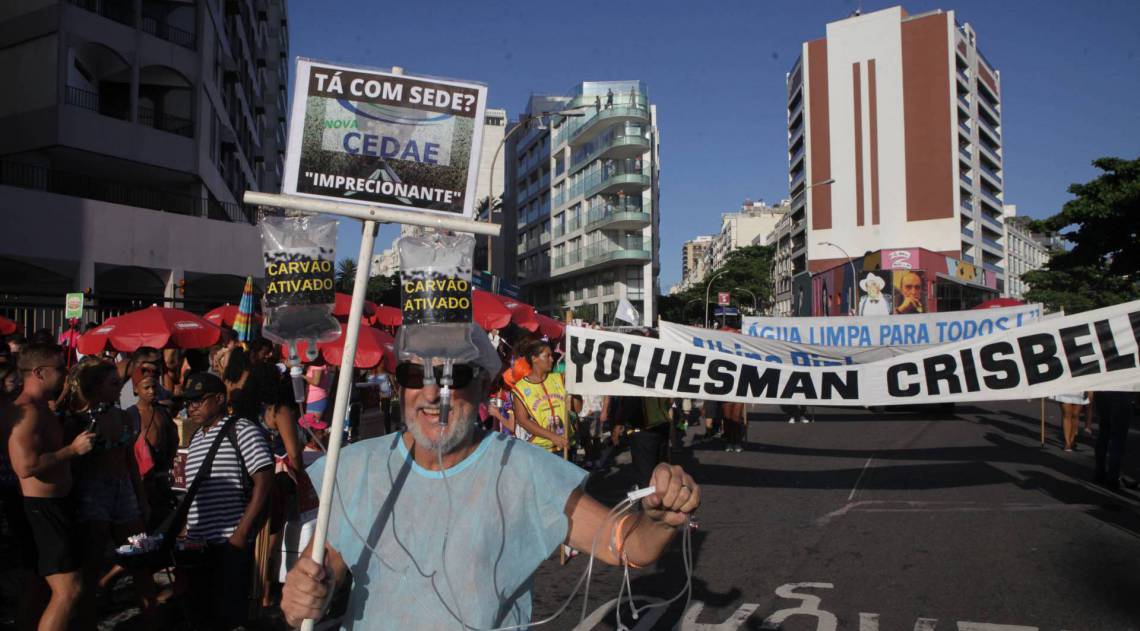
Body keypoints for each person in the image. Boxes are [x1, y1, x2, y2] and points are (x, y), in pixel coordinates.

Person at [279, 324, 701, 629]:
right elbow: (324, 566)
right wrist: (305, 592)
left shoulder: (522, 470)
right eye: (414, 375)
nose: (432, 395)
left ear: (483, 387)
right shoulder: (354, 465)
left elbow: (627, 545)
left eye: (453, 376)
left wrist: (660, 520)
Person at [4, 343, 95, 631]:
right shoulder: (27, 411)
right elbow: (25, 466)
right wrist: (73, 450)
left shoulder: (43, 407)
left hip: (52, 506)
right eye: (61, 369)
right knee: (69, 590)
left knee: (37, 586)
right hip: (42, 509)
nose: (67, 374)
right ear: (39, 373)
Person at [60, 359, 155, 626]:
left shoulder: (123, 416)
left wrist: (141, 497)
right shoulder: (78, 420)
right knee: (92, 563)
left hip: (123, 487)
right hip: (93, 490)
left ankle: (151, 617)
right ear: (97, 387)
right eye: (114, 383)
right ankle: (88, 621)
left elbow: (130, 463)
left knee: (139, 553)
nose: (119, 387)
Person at [180, 372, 274, 630]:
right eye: (189, 402)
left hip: (229, 542)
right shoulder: (196, 436)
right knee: (201, 615)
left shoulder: (241, 430)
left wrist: (241, 533)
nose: (192, 407)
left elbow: (264, 482)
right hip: (198, 545)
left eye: (199, 400)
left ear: (220, 399)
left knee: (230, 617)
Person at [127, 375, 178, 530]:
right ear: (136, 389)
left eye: (154, 387)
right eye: (146, 388)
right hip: (142, 480)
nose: (151, 391)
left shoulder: (163, 412)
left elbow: (173, 438)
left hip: (162, 477)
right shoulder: (131, 415)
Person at [511, 339, 570, 454]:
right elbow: (522, 420)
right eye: (547, 356)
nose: (552, 360)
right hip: (540, 451)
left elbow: (577, 409)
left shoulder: (560, 379)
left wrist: (575, 389)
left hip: (565, 446)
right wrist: (552, 436)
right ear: (534, 358)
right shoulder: (520, 388)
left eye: (551, 356)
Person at [1093, 390, 1136, 491]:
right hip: (1121, 393)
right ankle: (1113, 476)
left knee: (1103, 433)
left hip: (1102, 391)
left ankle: (1099, 472)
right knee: (1118, 438)